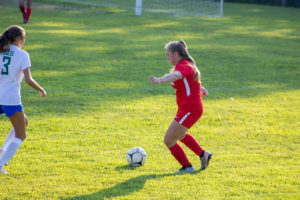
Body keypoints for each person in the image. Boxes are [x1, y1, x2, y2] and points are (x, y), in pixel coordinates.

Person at [150, 40, 212, 173]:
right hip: (188, 108)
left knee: (168, 139)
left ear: (176, 53)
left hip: (190, 108)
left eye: (168, 55)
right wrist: (199, 87)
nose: (167, 58)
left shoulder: (184, 65)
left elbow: (177, 75)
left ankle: (187, 166)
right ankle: (203, 155)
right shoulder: (185, 65)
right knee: (180, 135)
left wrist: (160, 79)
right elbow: (188, 80)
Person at [0, 25, 46, 174]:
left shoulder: (1, 52)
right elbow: (28, 79)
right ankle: (1, 163)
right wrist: (41, 89)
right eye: (24, 38)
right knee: (21, 134)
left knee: (23, 122)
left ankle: (2, 150)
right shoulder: (22, 55)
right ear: (19, 39)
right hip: (10, 99)